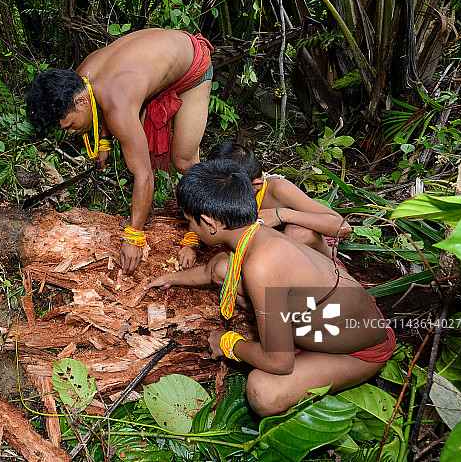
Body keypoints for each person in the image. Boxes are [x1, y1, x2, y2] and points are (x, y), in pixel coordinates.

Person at [146, 160, 395, 417]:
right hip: (331, 321)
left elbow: (280, 362)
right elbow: (213, 270)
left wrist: (227, 343)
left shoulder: (262, 266)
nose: (191, 228)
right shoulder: (255, 233)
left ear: (210, 223)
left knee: (262, 391)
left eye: (191, 222)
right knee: (223, 267)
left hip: (360, 350)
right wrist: (172, 278)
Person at [26, 28, 214, 274]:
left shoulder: (117, 101)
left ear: (80, 102)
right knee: (142, 148)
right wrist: (104, 142)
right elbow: (99, 102)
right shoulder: (82, 77)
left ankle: (202, 225)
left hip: (192, 64)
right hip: (156, 64)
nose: (70, 133)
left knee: (183, 160)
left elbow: (143, 174)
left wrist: (134, 236)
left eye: (69, 126)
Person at [178, 141, 351, 269]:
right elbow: (204, 213)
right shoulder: (228, 188)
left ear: (256, 185)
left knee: (298, 233)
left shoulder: (278, 189)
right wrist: (191, 244)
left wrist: (281, 215)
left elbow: (343, 228)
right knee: (221, 268)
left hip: (312, 261)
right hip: (264, 257)